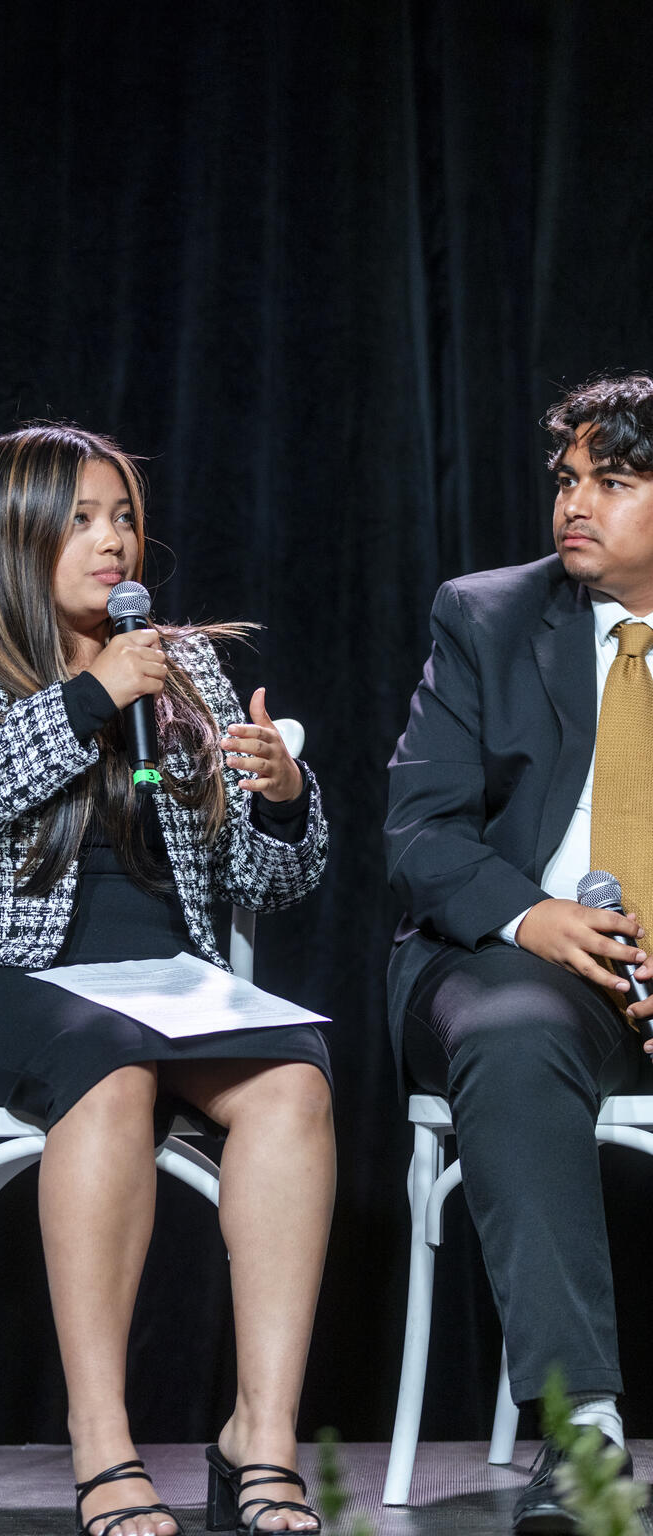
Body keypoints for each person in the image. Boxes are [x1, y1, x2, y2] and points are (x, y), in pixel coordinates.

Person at [0, 424, 334, 1536]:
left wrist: (280, 799)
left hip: (163, 987)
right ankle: (102, 1441)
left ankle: (259, 1439)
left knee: (294, 1073)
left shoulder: (183, 665)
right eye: (80, 519)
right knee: (107, 1063)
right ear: (14, 531)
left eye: (122, 516)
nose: (112, 540)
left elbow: (268, 881)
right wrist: (86, 697)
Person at [385, 374, 653, 1533]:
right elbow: (419, 832)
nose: (574, 505)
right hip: (524, 963)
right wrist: (529, 916)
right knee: (511, 1032)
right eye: (567, 480)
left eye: (613, 481)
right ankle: (581, 1426)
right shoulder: (486, 617)